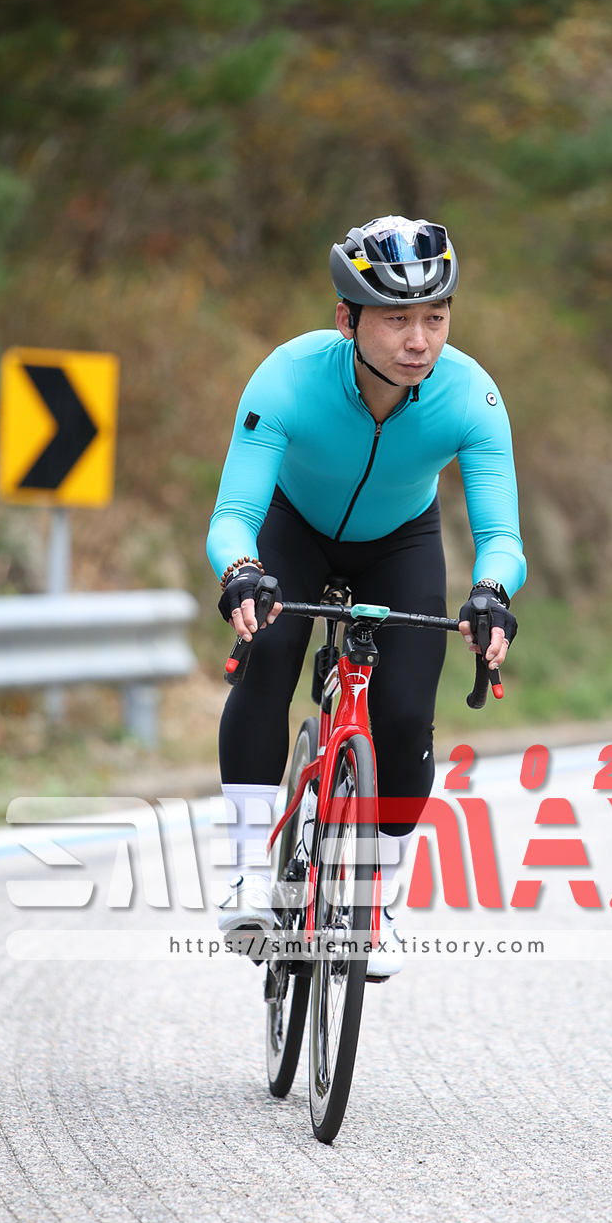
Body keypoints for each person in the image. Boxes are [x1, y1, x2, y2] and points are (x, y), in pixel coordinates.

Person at [206, 216, 526, 980]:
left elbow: (502, 537)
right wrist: (242, 571)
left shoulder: (471, 397)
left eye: (435, 319)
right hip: (292, 529)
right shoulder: (287, 377)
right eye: (396, 320)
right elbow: (233, 517)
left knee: (407, 715)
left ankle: (373, 900)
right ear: (347, 319)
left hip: (401, 541)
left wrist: (490, 593)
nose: (419, 341)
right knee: (270, 653)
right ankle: (248, 873)